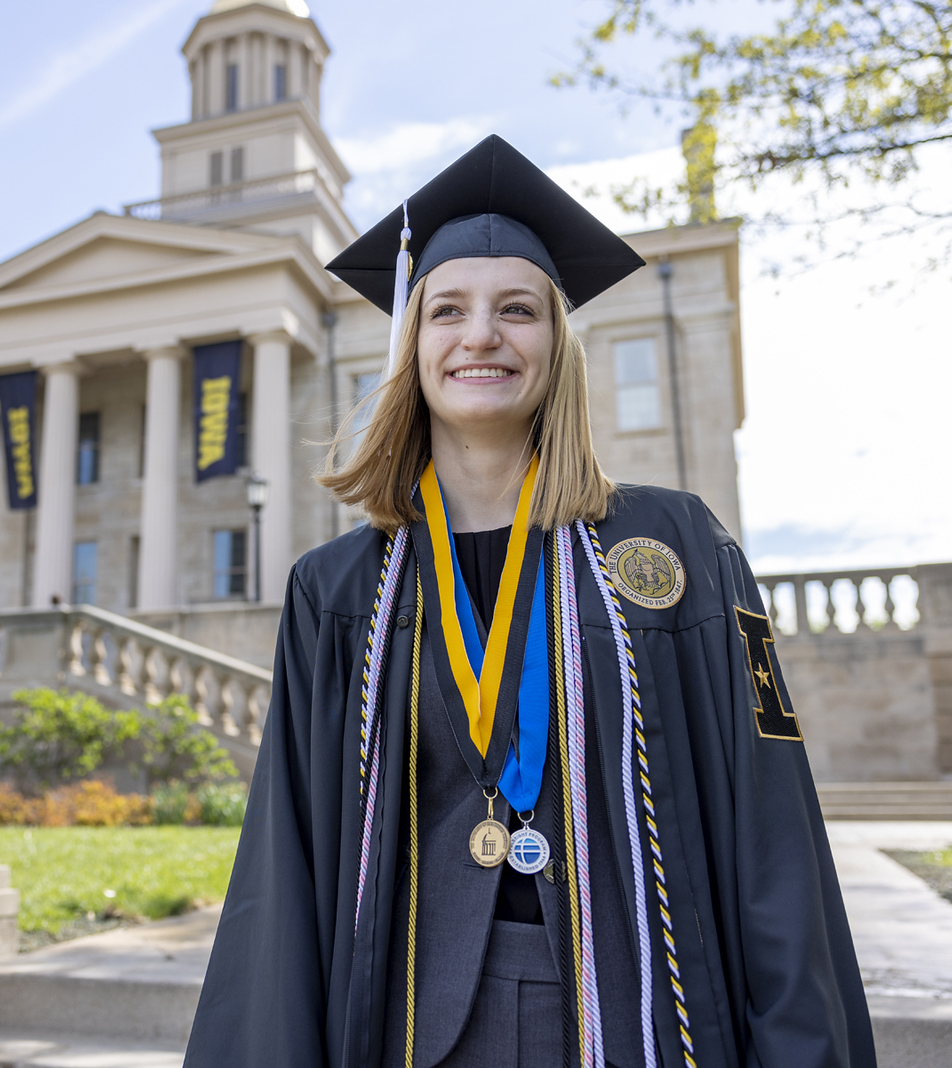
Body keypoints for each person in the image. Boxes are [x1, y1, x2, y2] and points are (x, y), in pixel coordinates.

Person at [183, 135, 875, 1068]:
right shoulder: (340, 592)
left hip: (635, 1019)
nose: (482, 336)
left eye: (518, 309)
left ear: (558, 341)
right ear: (411, 345)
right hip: (408, 1023)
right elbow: (286, 869)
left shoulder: (675, 552)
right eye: (447, 311)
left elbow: (772, 834)